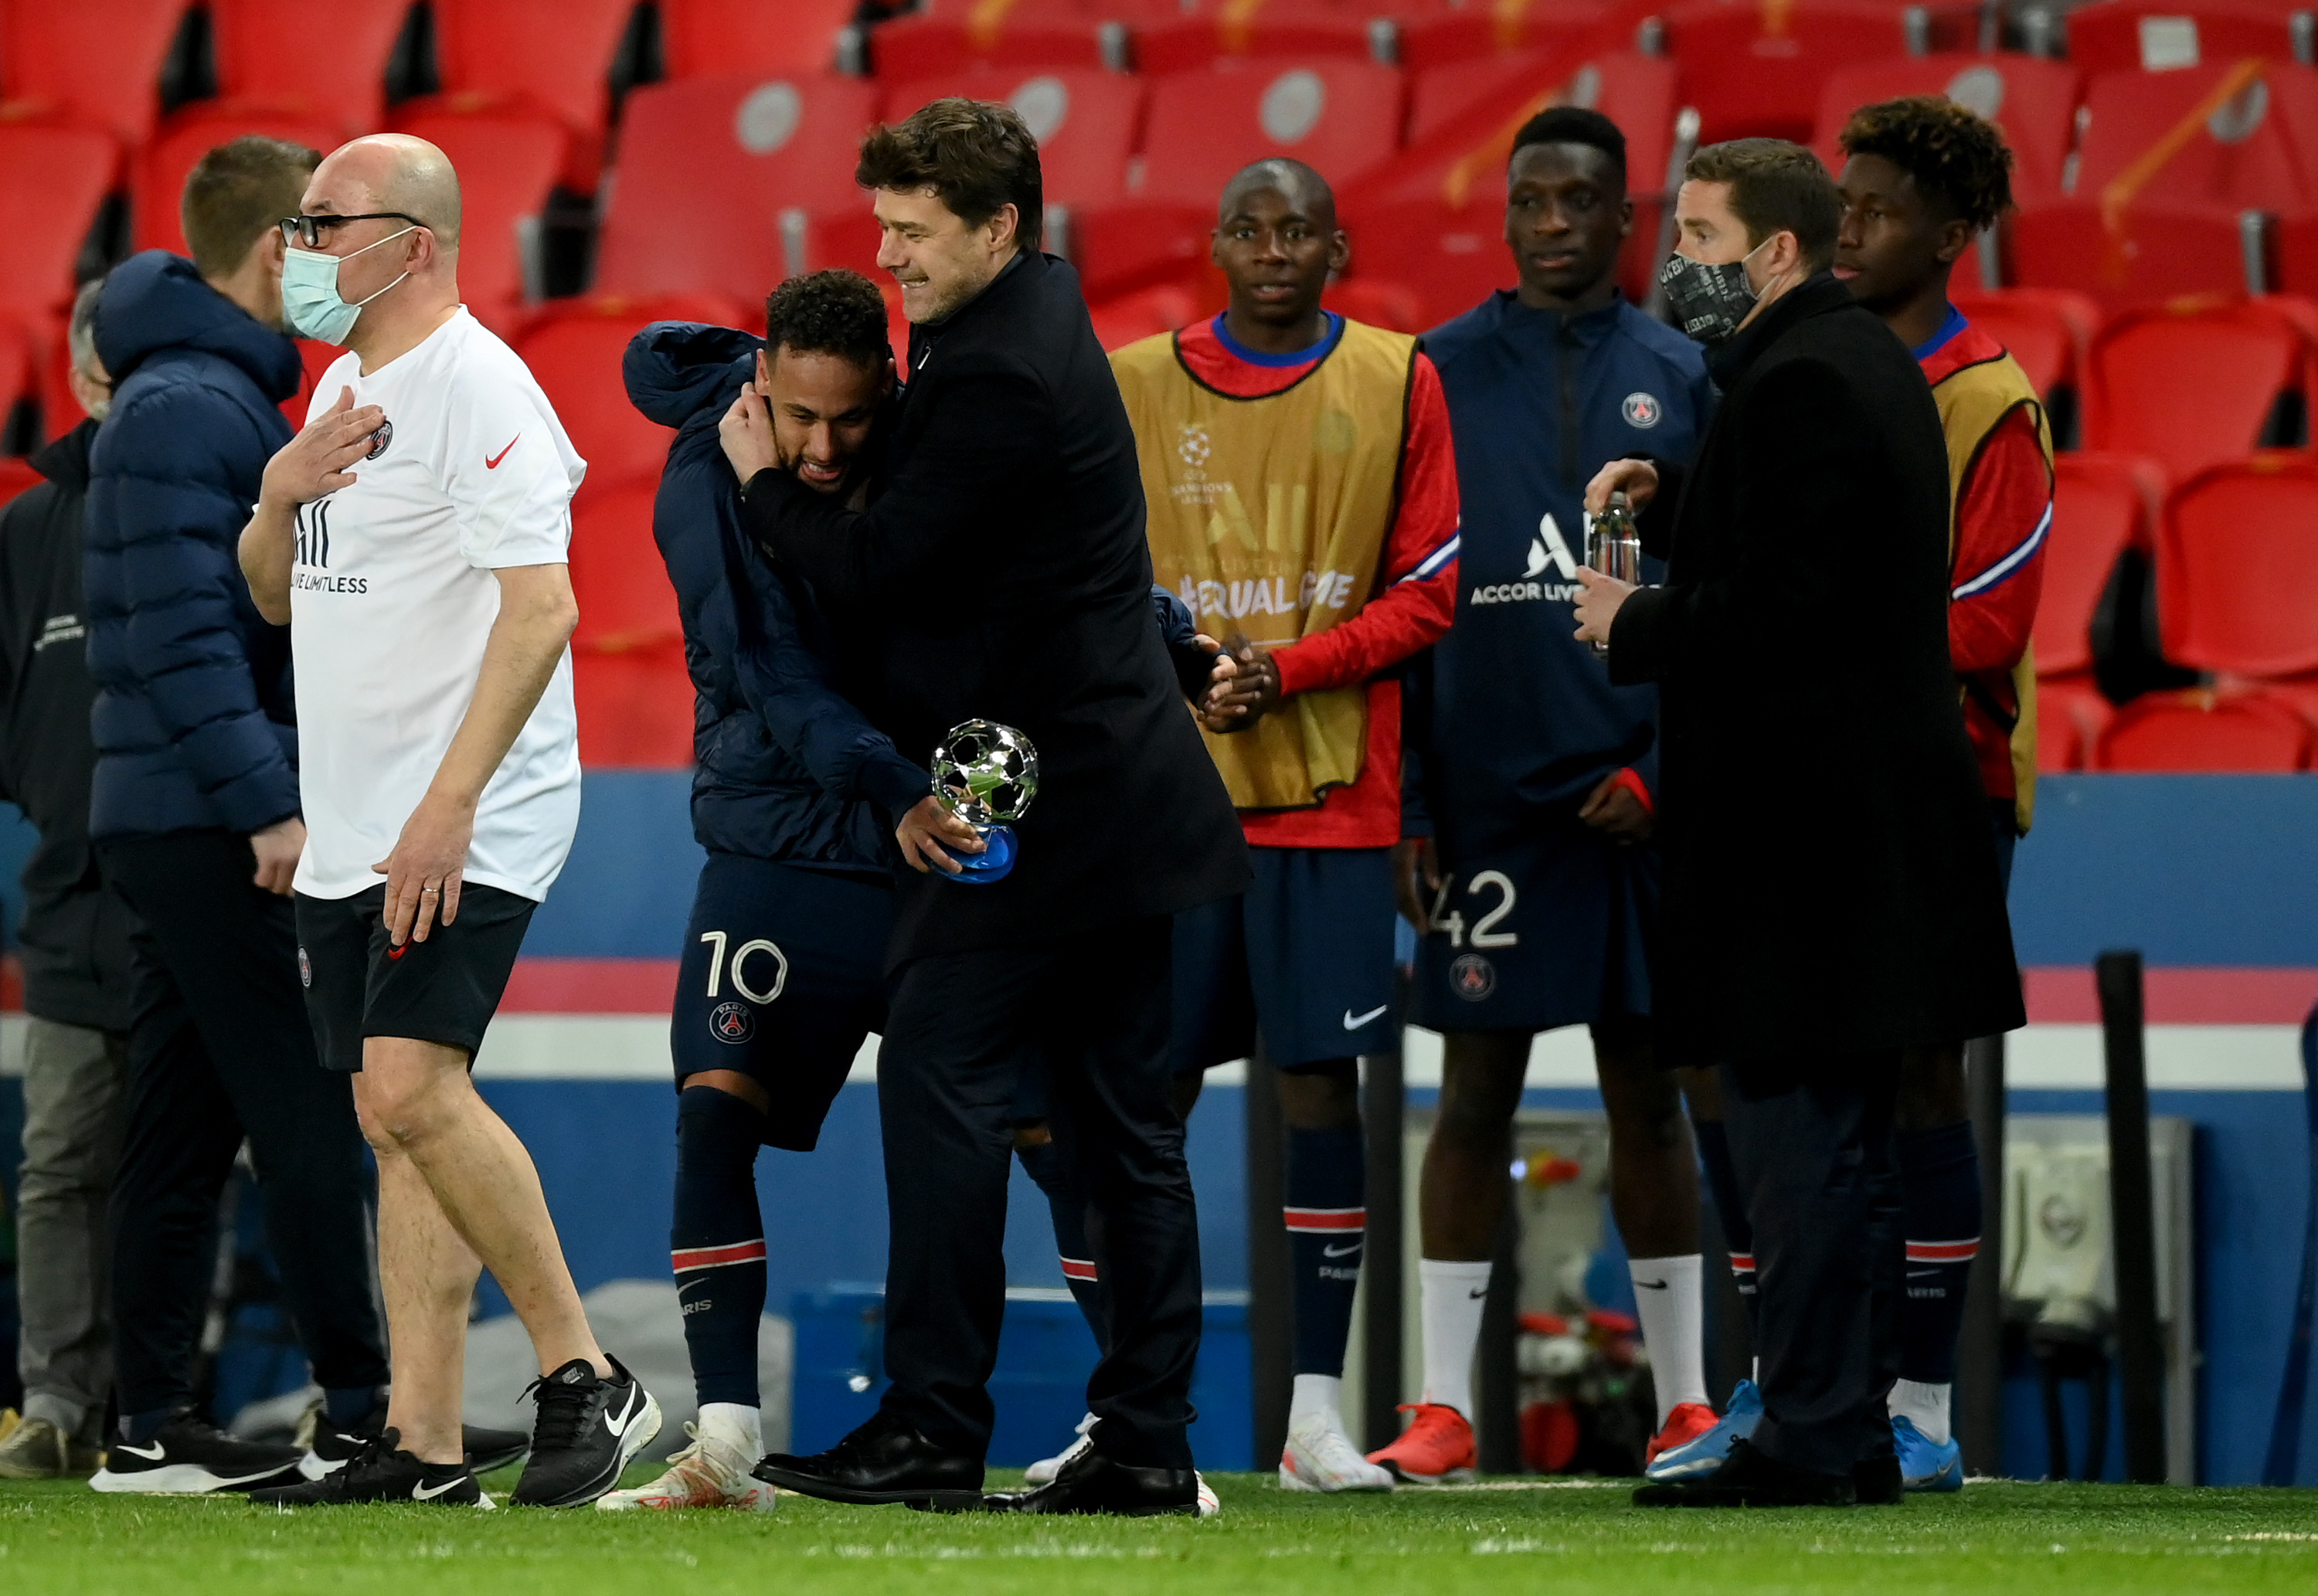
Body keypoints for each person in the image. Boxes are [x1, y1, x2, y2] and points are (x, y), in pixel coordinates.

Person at [603, 270, 1234, 1514]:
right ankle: (724, 1441)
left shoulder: (925, 434)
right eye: (800, 422)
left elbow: (1027, 567)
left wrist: (1174, 641)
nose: (824, 449)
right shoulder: (706, 473)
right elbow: (771, 676)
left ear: (886, 390)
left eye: (849, 421)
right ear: (762, 396)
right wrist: (895, 781)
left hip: (938, 840)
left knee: (1058, 1131)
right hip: (796, 831)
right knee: (718, 1107)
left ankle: (1135, 1436)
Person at [731, 98, 1249, 1518]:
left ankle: (934, 1423)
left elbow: (884, 562)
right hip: (1120, 802)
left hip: (1052, 812)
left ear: (999, 223)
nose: (887, 253)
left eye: (912, 229)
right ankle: (1143, 1438)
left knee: (947, 1082)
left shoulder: (996, 369)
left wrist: (762, 482)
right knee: (1123, 1129)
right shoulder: (1019, 325)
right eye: (882, 225)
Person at [1572, 139, 2023, 1509]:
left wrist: (1630, 617)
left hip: (1804, 846)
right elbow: (1807, 561)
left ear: (1776, 251)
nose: (1674, 261)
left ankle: (1817, 1431)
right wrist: (1681, 506)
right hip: (1846, 835)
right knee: (1840, 1146)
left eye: (1701, 233)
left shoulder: (1808, 378)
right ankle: (1841, 1421)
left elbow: (1796, 619)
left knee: (1800, 1144)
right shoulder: (1835, 363)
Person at [236, 133, 658, 1509]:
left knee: (413, 1088)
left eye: (322, 222)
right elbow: (275, 597)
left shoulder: (483, 382)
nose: (297, 247)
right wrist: (274, 493)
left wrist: (449, 808)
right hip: (356, 817)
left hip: (461, 813)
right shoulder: (345, 384)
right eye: (297, 225)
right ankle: (421, 1443)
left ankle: (589, 1372)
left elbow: (546, 609)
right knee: (388, 1111)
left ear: (411, 242)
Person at [1371, 107, 1722, 1488]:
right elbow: (1399, 591)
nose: (1559, 220)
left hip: (1637, 794)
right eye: (1536, 199)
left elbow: (1721, 595)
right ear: (1505, 213)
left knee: (1652, 1097)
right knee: (1472, 1098)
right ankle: (1443, 1407)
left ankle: (1686, 1400)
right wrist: (1409, 801)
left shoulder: (1689, 373)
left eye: (1586, 198)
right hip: (1489, 804)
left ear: (1625, 214)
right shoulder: (1433, 376)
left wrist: (1665, 770)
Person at [1106, 155, 1461, 1495]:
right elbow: (1092, 570)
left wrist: (1288, 669)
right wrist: (1197, 659)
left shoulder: (1398, 374)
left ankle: (1316, 1418)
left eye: (1296, 229)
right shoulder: (1136, 381)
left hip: (1335, 803)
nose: (1271, 248)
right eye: (1248, 227)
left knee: (1321, 1091)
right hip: (1168, 807)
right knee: (1143, 1102)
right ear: (1215, 243)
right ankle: (1136, 1403)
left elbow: (1432, 588)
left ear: (1338, 245)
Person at [80, 136, 393, 1497]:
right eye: (319, 236)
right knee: (310, 1102)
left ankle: (148, 1421)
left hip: (172, 805)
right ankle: (364, 1406)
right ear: (278, 248)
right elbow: (182, 639)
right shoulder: (189, 407)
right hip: (211, 812)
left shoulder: (191, 397)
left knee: (181, 1123)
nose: (329, 264)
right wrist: (270, 804)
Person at [1829, 96, 2051, 1492]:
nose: (1850, 226)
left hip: (1940, 787)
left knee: (1920, 1075)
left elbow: (1986, 624)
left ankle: (1918, 1403)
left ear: (1954, 234)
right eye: (1842, 202)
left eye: (1881, 208)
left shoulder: (1992, 400)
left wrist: (1801, 639)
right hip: (1812, 789)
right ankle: (1808, 1386)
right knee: (1804, 1087)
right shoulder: (1806, 370)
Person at [0, 280, 137, 1482]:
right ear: (89, 382)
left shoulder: (234, 498)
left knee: (249, 1149)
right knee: (58, 1163)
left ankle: (323, 1395)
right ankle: (57, 1402)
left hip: (211, 899)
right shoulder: (29, 532)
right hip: (66, 905)